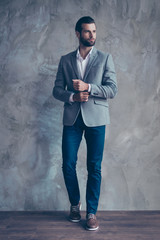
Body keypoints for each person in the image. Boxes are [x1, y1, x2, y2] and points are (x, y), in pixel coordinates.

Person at [53, 16, 117, 231]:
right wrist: (72, 96)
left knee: (94, 167)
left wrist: (88, 87)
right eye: (88, 32)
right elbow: (57, 90)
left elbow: (112, 90)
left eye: (95, 31)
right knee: (68, 164)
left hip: (96, 119)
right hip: (72, 119)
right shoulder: (65, 60)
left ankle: (91, 213)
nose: (92, 35)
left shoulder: (105, 58)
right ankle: (74, 204)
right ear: (78, 34)